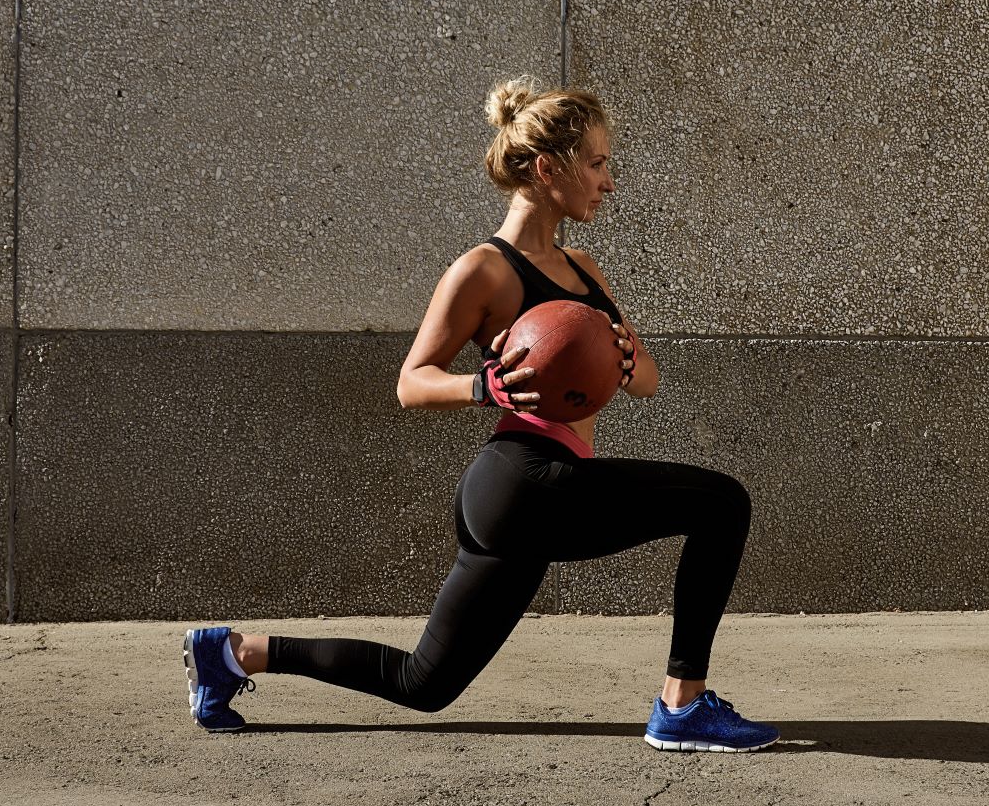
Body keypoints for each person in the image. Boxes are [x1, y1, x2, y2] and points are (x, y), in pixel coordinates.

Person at [182, 76, 778, 753]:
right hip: (524, 477)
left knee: (423, 682)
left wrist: (619, 350)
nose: (608, 183)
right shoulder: (483, 270)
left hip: (530, 496)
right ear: (548, 168)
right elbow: (411, 382)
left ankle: (229, 654)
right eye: (598, 163)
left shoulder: (585, 272)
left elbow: (645, 381)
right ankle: (683, 704)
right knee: (721, 503)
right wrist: (483, 386)